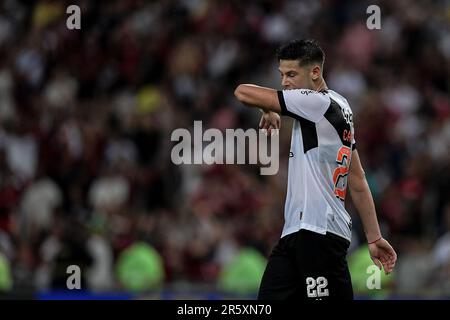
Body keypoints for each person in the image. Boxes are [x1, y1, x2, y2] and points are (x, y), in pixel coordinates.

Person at [234, 39, 397, 300]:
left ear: (315, 73)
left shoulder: (315, 103)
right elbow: (357, 178)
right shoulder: (340, 106)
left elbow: (242, 92)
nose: (285, 82)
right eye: (282, 75)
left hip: (318, 235)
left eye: (291, 74)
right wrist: (374, 237)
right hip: (297, 233)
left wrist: (268, 106)